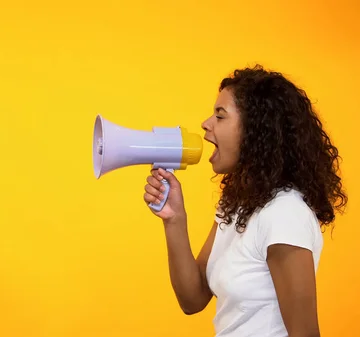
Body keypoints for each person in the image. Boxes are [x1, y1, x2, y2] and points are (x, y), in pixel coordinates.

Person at [143, 65, 347, 337]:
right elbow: (193, 299)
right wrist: (174, 219)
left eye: (220, 115)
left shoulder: (284, 213)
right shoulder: (237, 206)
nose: (206, 123)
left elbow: (305, 334)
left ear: (255, 130)